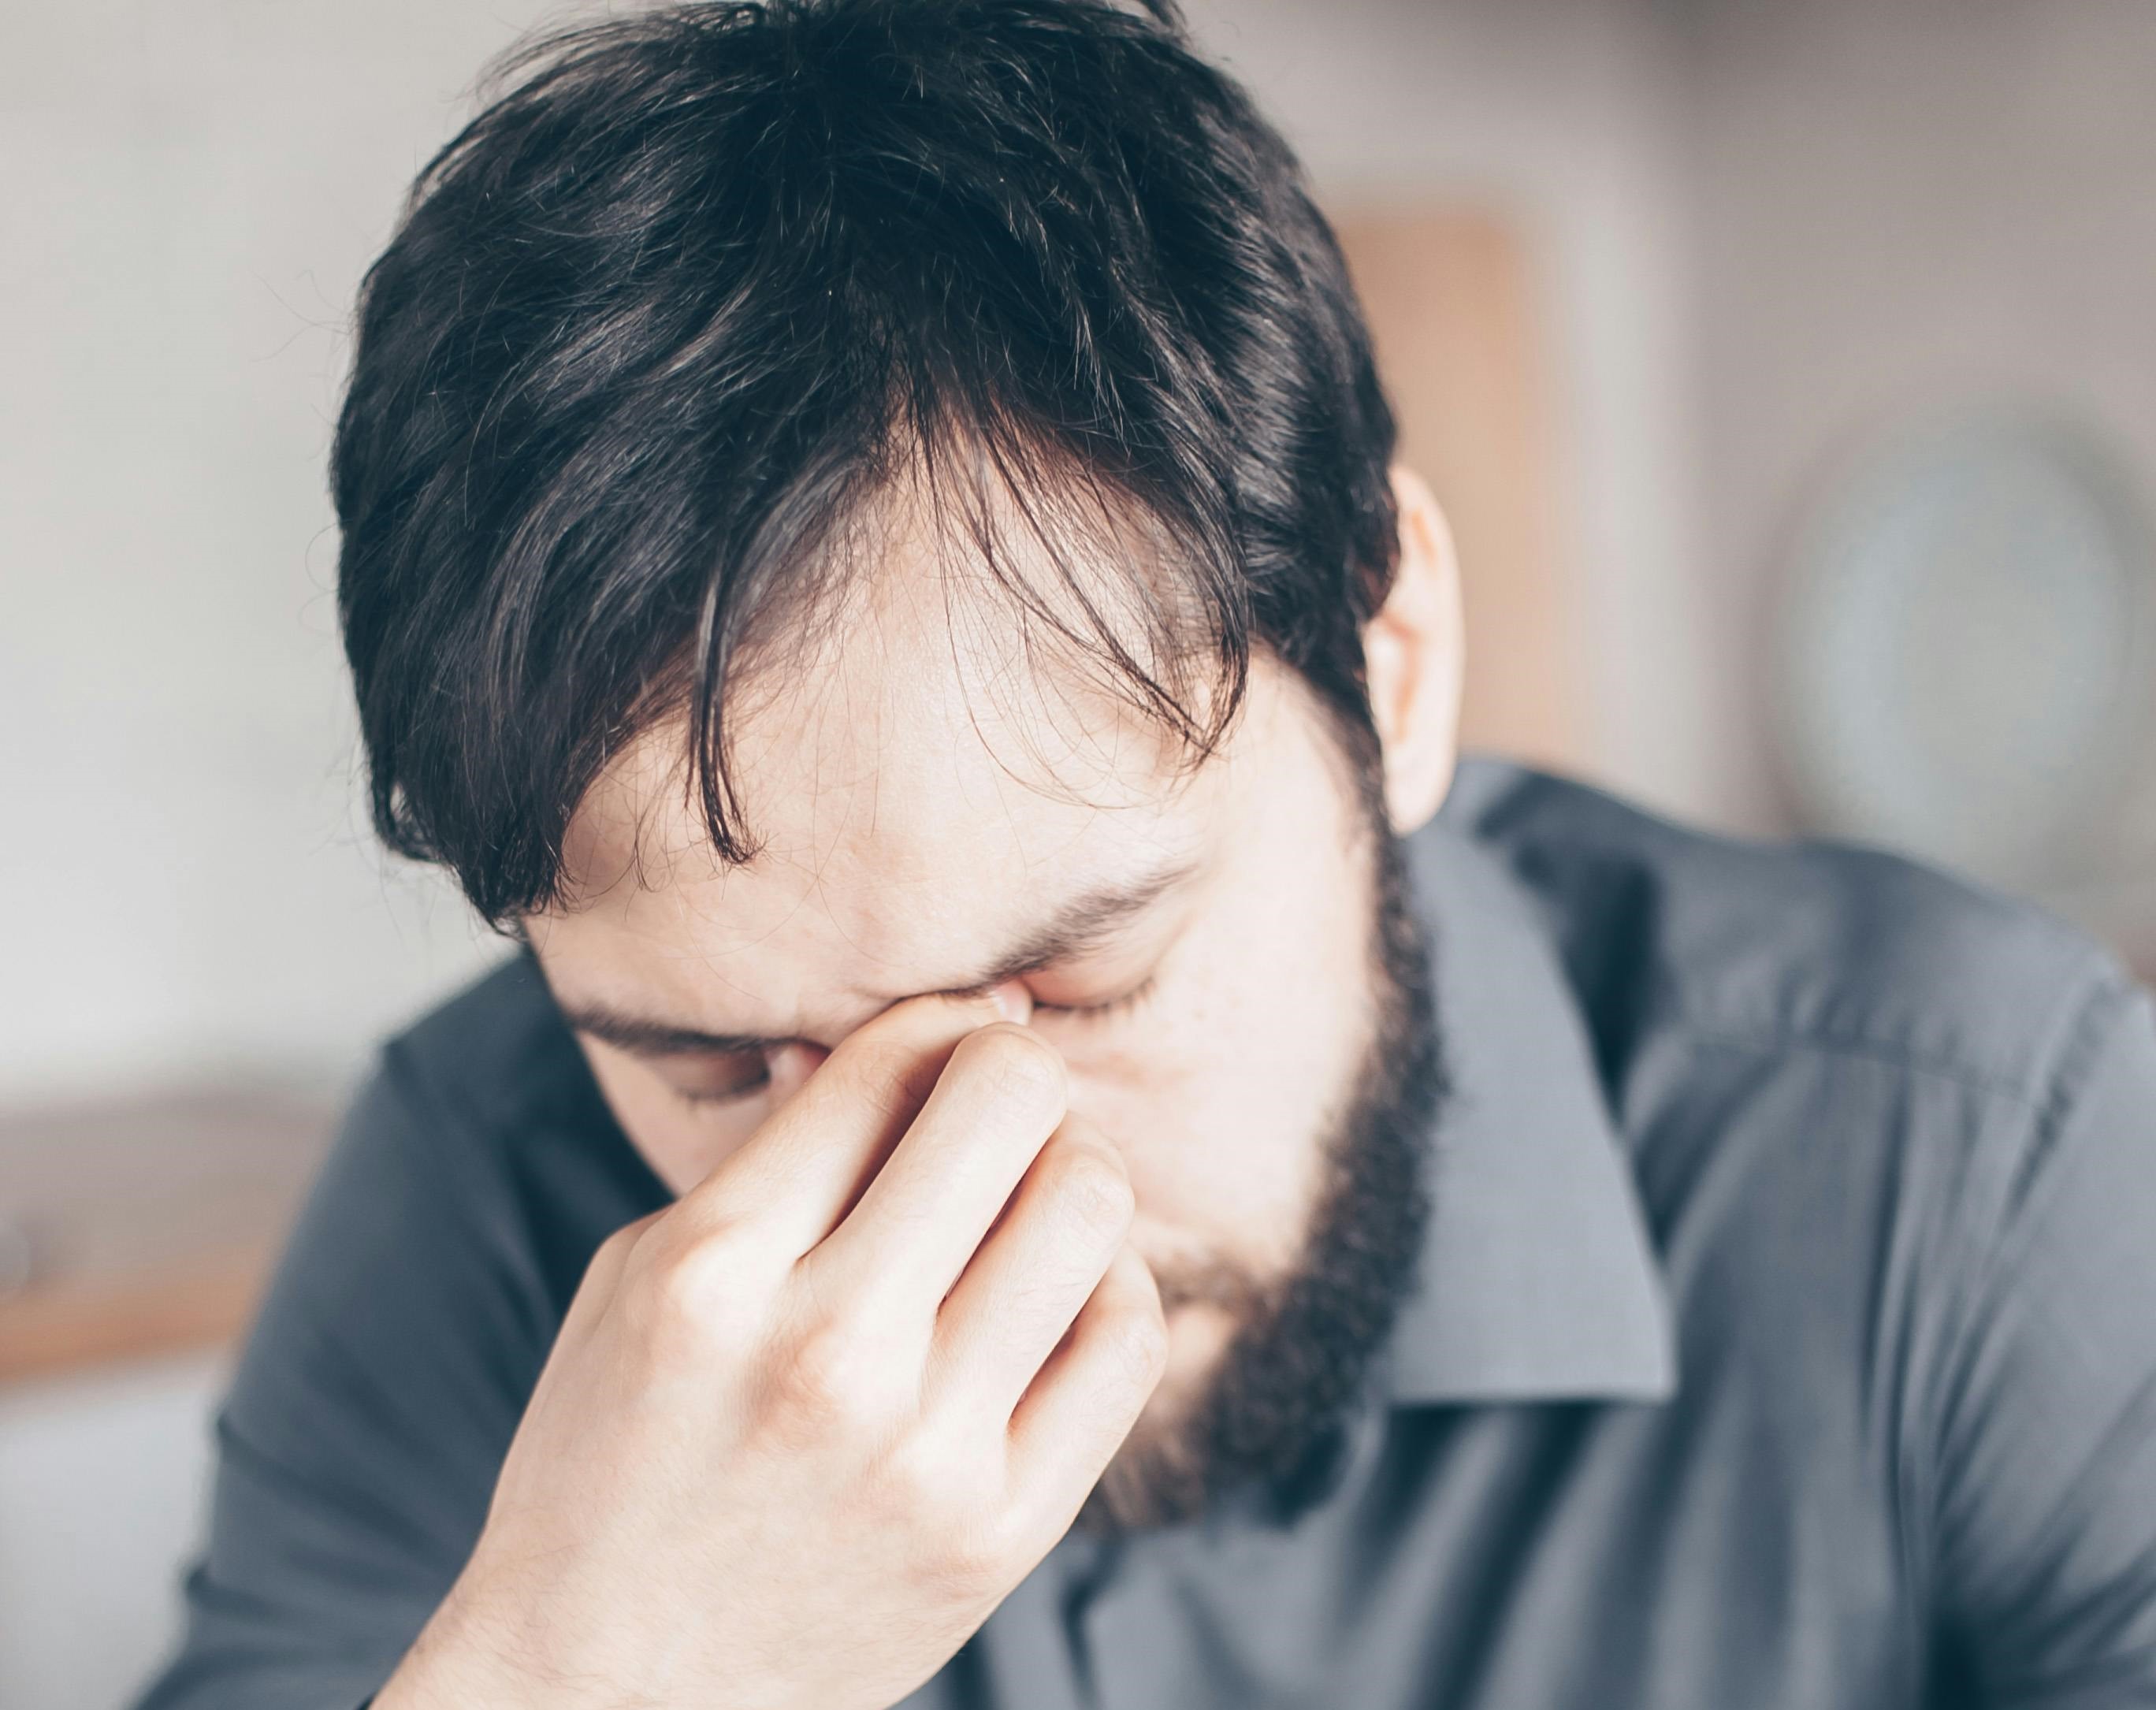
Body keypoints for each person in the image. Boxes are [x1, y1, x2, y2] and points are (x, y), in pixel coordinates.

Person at [136, 2, 2156, 1706]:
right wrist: (585, 1662)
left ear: (1399, 654)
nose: (974, 1219)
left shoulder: (1975, 1156)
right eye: (725, 1070)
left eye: (1087, 976)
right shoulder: (469, 1193)